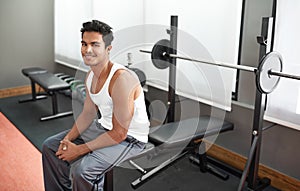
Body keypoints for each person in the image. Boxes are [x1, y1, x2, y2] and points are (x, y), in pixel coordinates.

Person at [42, 20, 150, 191]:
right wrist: (68, 139)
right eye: (84, 44)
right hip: (102, 127)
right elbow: (87, 113)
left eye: (95, 44)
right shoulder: (90, 75)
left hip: (130, 139)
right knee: (51, 147)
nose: (87, 50)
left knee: (83, 172)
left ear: (108, 49)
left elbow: (120, 133)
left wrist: (78, 150)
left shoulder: (121, 79)